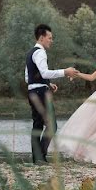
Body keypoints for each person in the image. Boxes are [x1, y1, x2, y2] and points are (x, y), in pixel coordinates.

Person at [25, 23, 77, 164]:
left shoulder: (30, 53)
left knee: (37, 125)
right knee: (52, 125)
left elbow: (27, 78)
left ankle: (37, 159)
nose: (51, 40)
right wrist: (65, 71)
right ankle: (41, 157)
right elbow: (45, 72)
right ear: (42, 38)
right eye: (49, 38)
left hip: (32, 91)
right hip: (41, 93)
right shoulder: (40, 52)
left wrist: (47, 83)